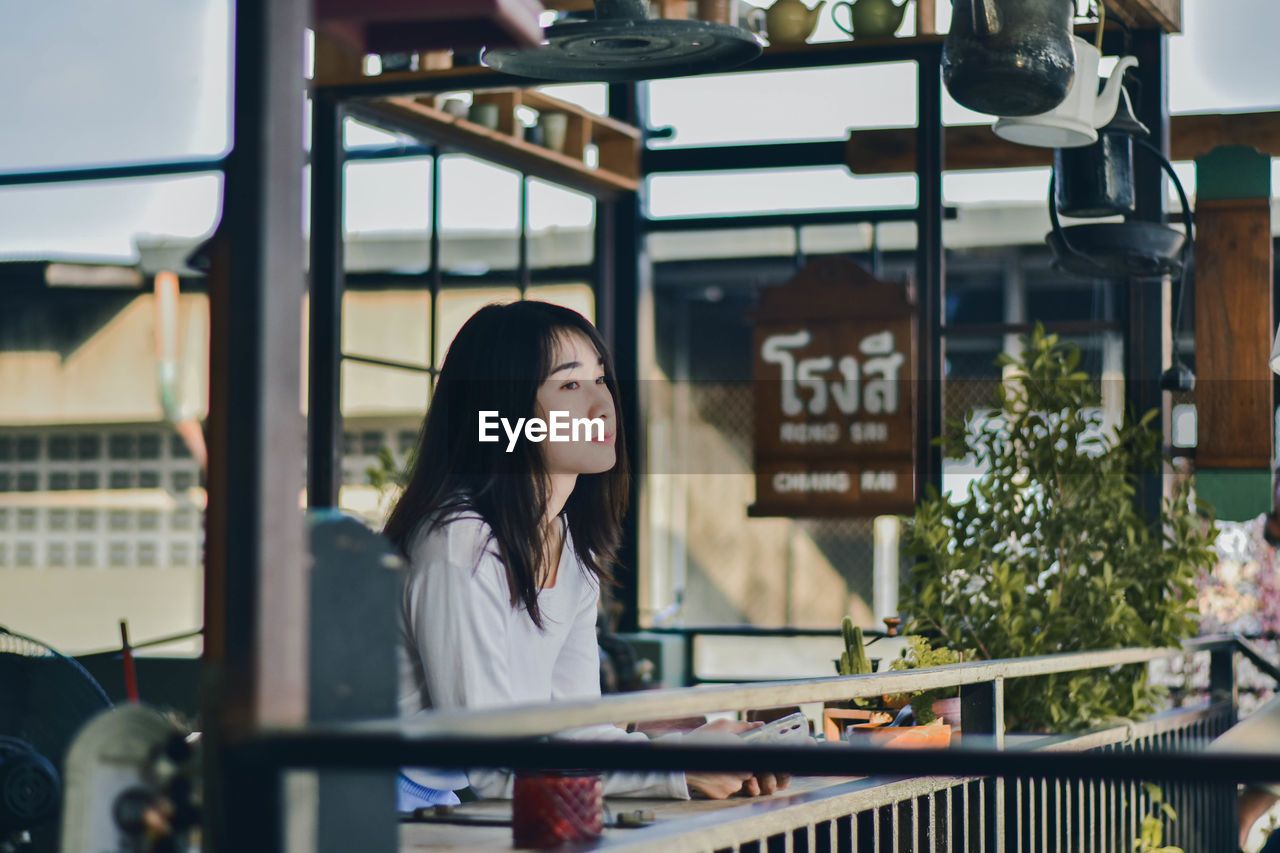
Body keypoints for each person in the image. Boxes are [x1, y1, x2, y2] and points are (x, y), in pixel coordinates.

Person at [384, 300, 789, 811]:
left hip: (454, 802)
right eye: (570, 385)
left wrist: (693, 749)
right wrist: (674, 768)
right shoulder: (459, 543)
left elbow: (576, 728)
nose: (602, 406)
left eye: (601, 380)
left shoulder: (569, 546)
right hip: (378, 808)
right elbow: (493, 763)